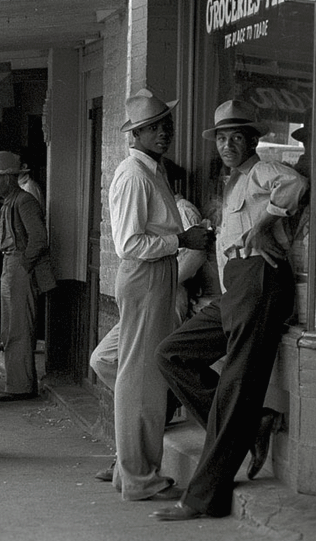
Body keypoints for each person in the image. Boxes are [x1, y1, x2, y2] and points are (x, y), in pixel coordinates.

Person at [153, 100, 308, 521]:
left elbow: (294, 185)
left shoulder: (262, 171)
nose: (227, 145)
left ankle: (205, 497)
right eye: (221, 138)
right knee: (172, 354)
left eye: (236, 137)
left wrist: (262, 225)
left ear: (253, 141)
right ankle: (255, 422)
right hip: (234, 289)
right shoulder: (234, 182)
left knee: (235, 388)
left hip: (260, 282)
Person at [92, 89, 211, 501]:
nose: (164, 133)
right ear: (136, 134)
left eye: (167, 126)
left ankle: (134, 473)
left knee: (141, 377)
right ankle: (139, 477)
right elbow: (128, 244)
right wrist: (182, 238)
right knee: (139, 380)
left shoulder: (151, 172)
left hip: (156, 274)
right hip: (145, 273)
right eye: (153, 128)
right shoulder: (134, 175)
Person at [0, 151, 55, 402]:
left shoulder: (23, 201)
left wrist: (23, 265)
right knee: (10, 328)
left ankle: (21, 386)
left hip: (19, 266)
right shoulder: (10, 202)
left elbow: (38, 238)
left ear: (8, 178)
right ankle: (18, 383)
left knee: (19, 328)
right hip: (10, 264)